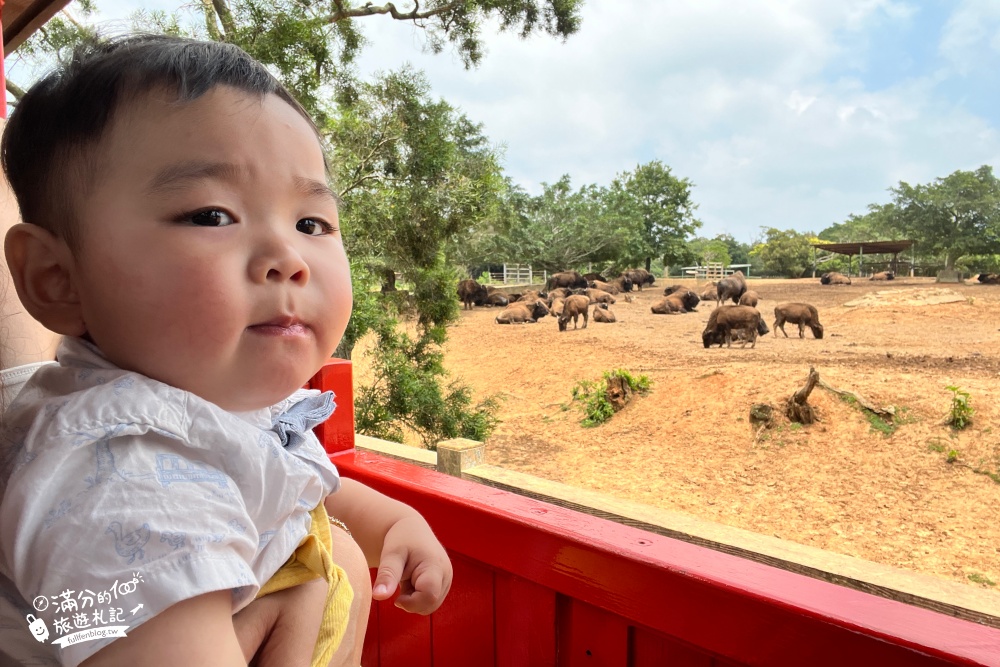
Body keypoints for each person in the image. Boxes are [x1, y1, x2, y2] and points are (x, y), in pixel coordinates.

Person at [0, 34, 452, 667]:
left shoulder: (195, 406)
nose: (289, 259)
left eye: (311, 223)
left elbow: (283, 479)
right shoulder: (123, 478)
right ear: (57, 278)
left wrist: (391, 522)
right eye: (211, 215)